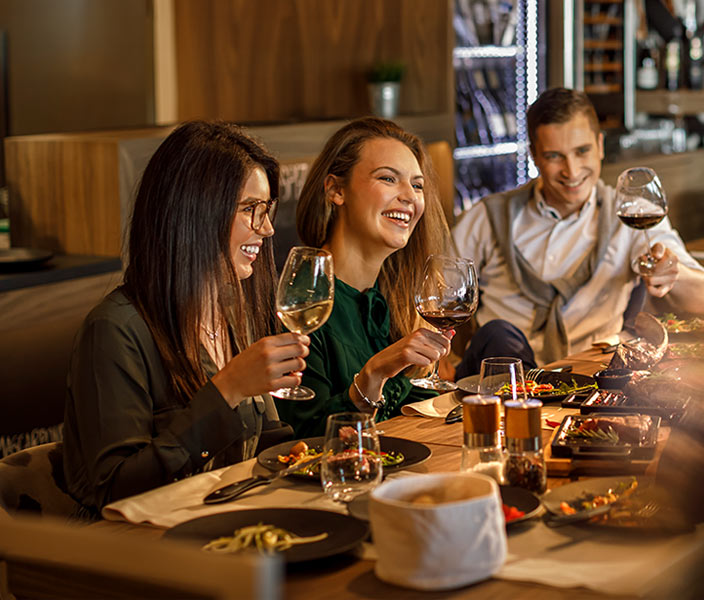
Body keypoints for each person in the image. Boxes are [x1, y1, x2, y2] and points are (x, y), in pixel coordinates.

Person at [63, 121, 310, 512]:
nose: (265, 228)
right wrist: (226, 389)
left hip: (226, 526)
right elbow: (114, 490)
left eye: (267, 210)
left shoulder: (233, 312)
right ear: (193, 213)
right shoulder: (114, 330)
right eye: (250, 209)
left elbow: (263, 443)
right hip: (146, 552)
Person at [452, 88, 704, 372]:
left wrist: (673, 273)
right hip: (500, 384)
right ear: (534, 156)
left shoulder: (631, 214)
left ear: (600, 146)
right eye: (555, 156)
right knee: (499, 336)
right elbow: (433, 291)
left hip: (591, 379)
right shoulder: (486, 217)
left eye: (582, 151)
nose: (572, 170)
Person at [274, 117, 453, 437]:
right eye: (388, 178)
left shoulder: (400, 297)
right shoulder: (300, 302)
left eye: (417, 185)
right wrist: (373, 375)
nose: (410, 197)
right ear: (336, 189)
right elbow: (299, 441)